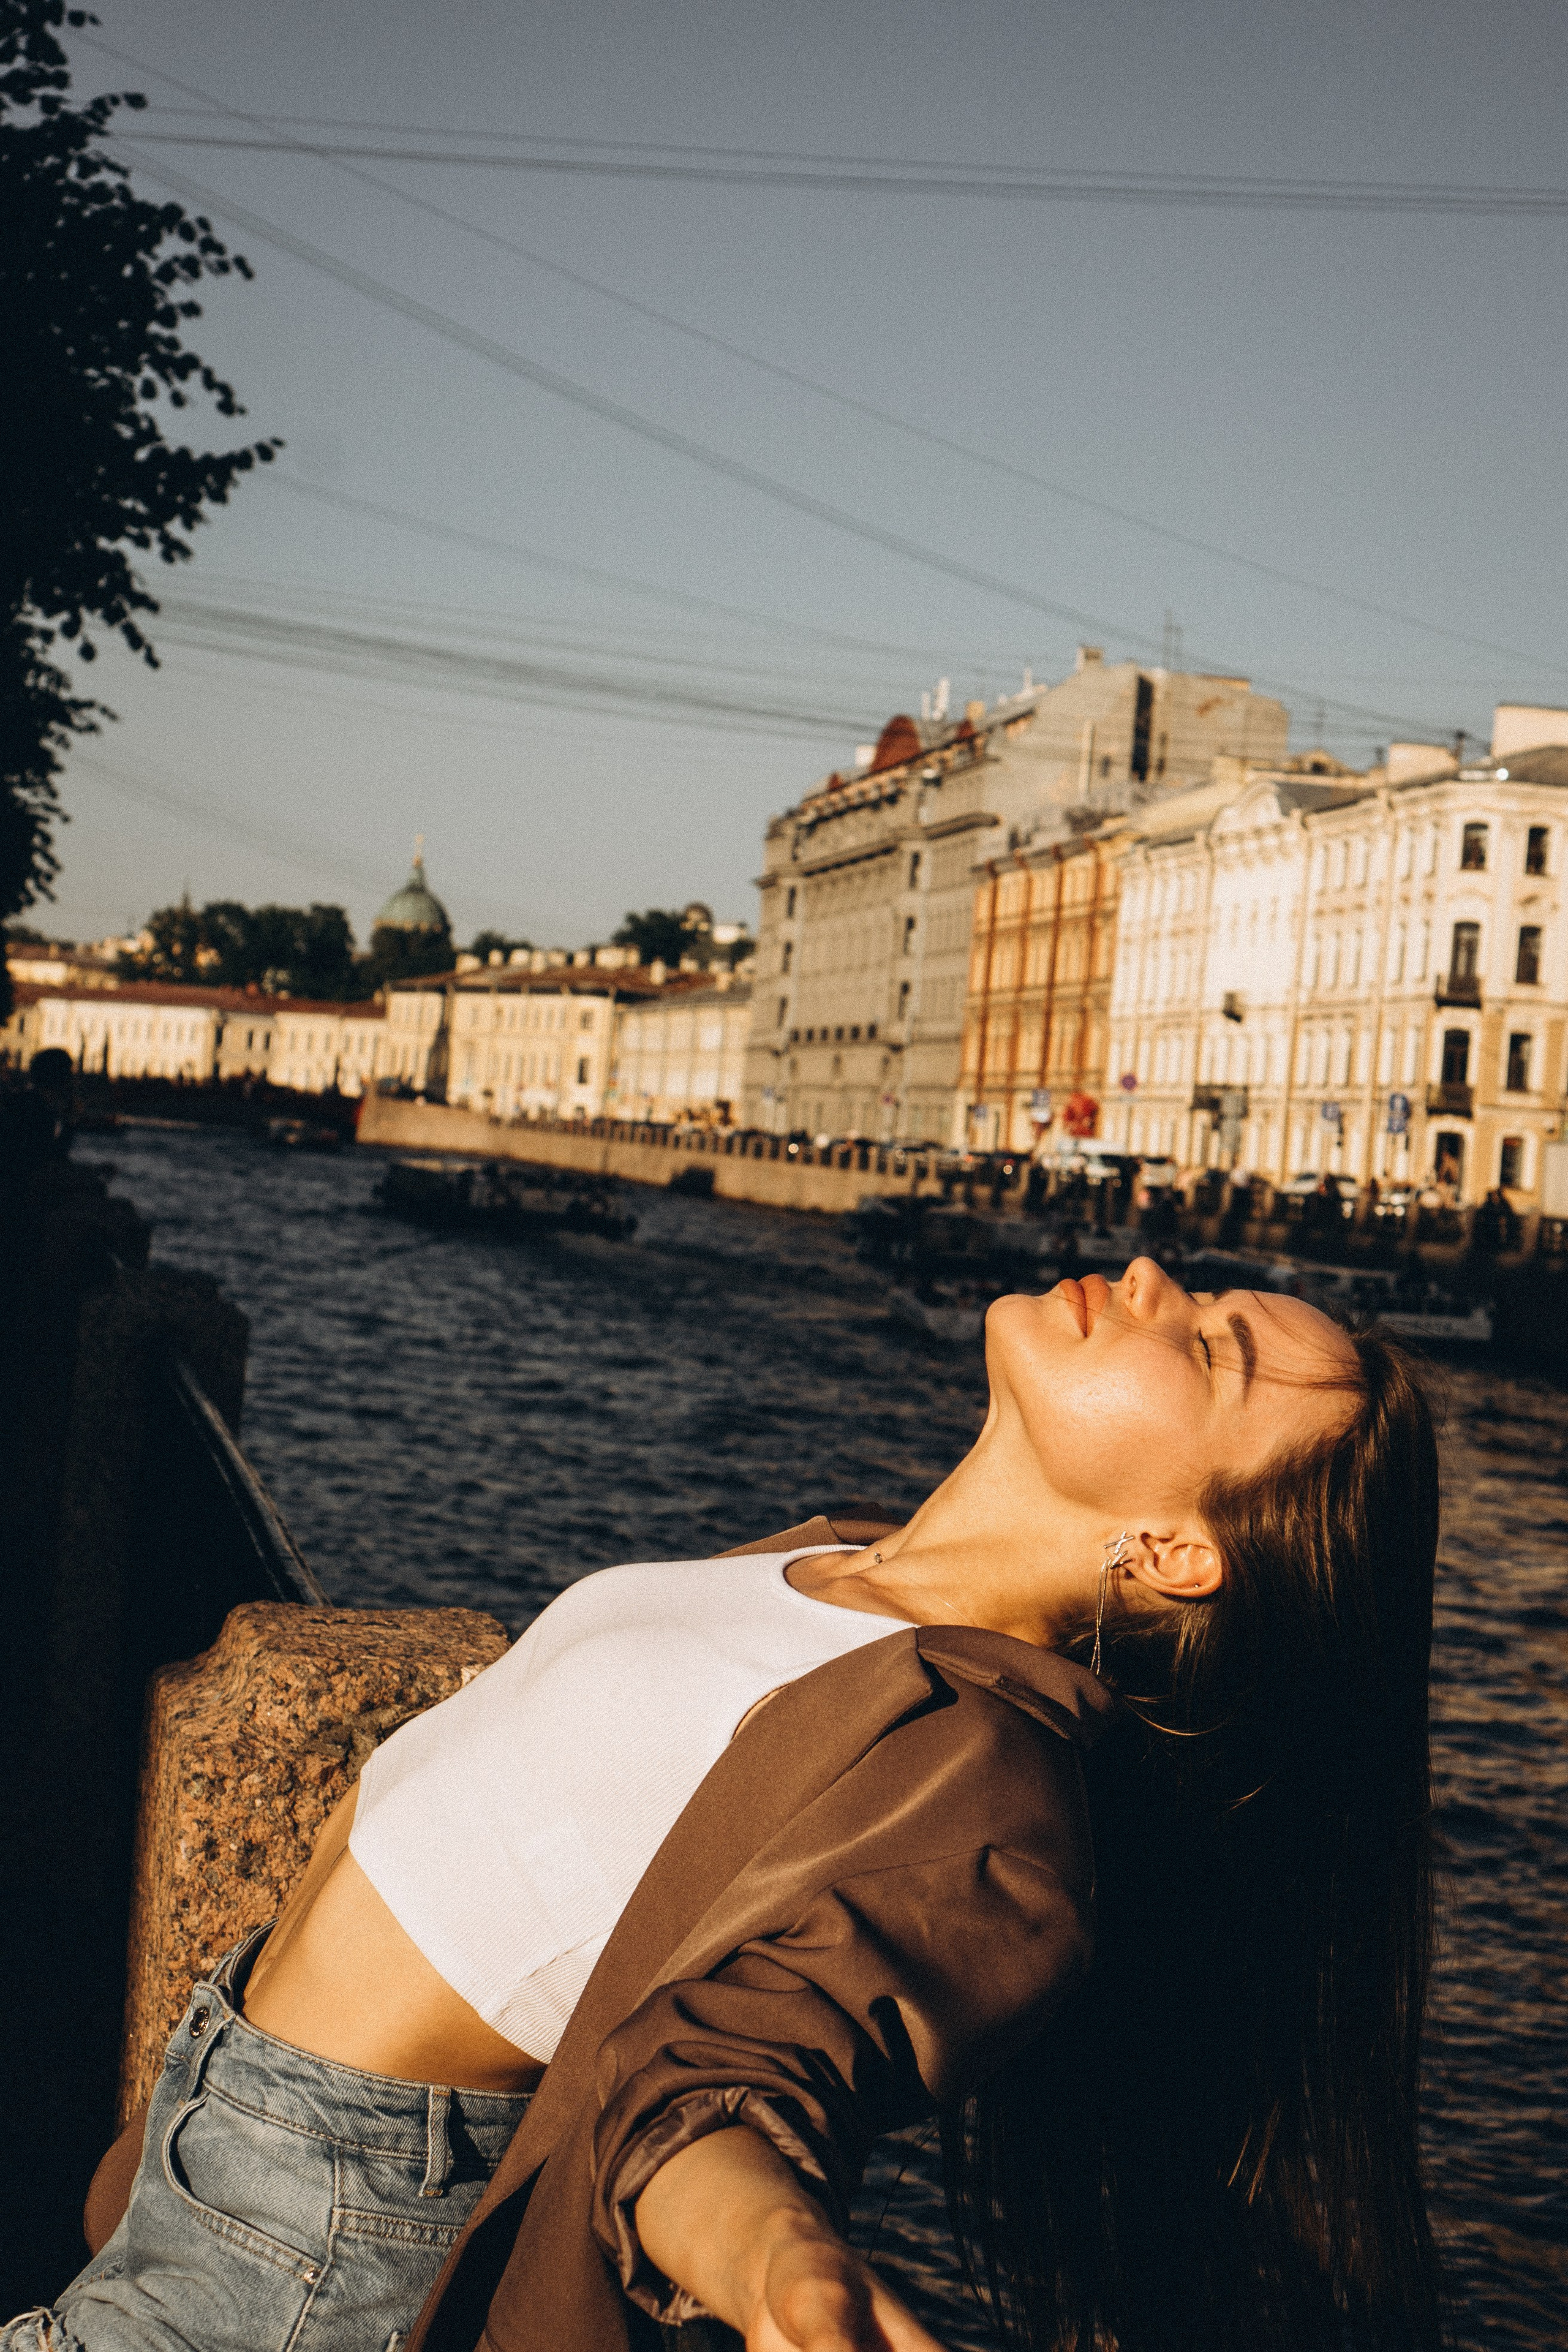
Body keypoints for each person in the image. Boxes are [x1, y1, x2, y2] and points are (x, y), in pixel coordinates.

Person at [13, 1259, 1442, 2352]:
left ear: (1173, 1550)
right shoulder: (833, 1564)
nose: (1144, 1280)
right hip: (225, 2143)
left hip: (318, 2254)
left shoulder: (992, 1785)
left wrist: (775, 2262)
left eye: (1206, 1346)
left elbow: (733, 2078)